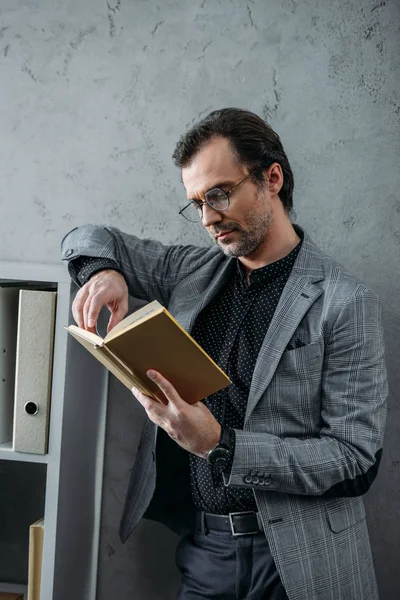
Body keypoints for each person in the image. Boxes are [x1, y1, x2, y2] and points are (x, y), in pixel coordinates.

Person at [61, 108, 388, 600]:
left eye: (219, 193)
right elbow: (86, 236)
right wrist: (104, 272)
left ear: (271, 178)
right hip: (206, 551)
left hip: (303, 561)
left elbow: (355, 460)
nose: (208, 218)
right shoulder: (193, 269)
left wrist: (221, 444)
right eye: (196, 203)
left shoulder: (344, 300)